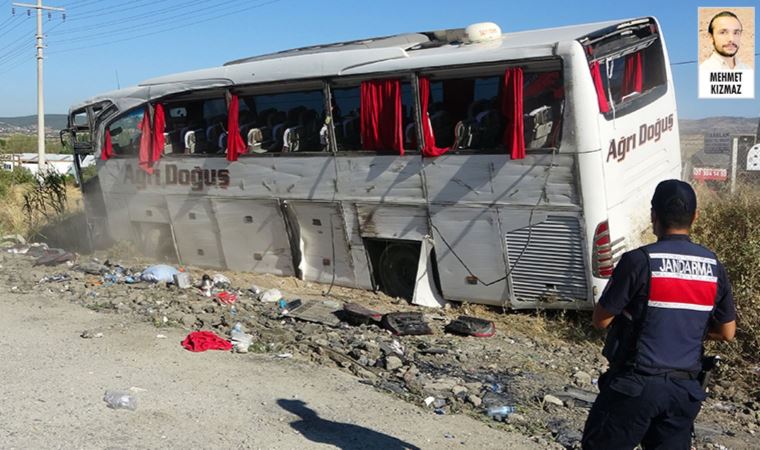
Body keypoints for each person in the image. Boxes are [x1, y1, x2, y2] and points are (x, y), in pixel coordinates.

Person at [581, 179, 736, 450]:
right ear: (695, 217)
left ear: (654, 215)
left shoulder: (639, 261)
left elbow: (601, 320)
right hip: (683, 392)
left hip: (635, 386)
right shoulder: (714, 267)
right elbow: (727, 332)